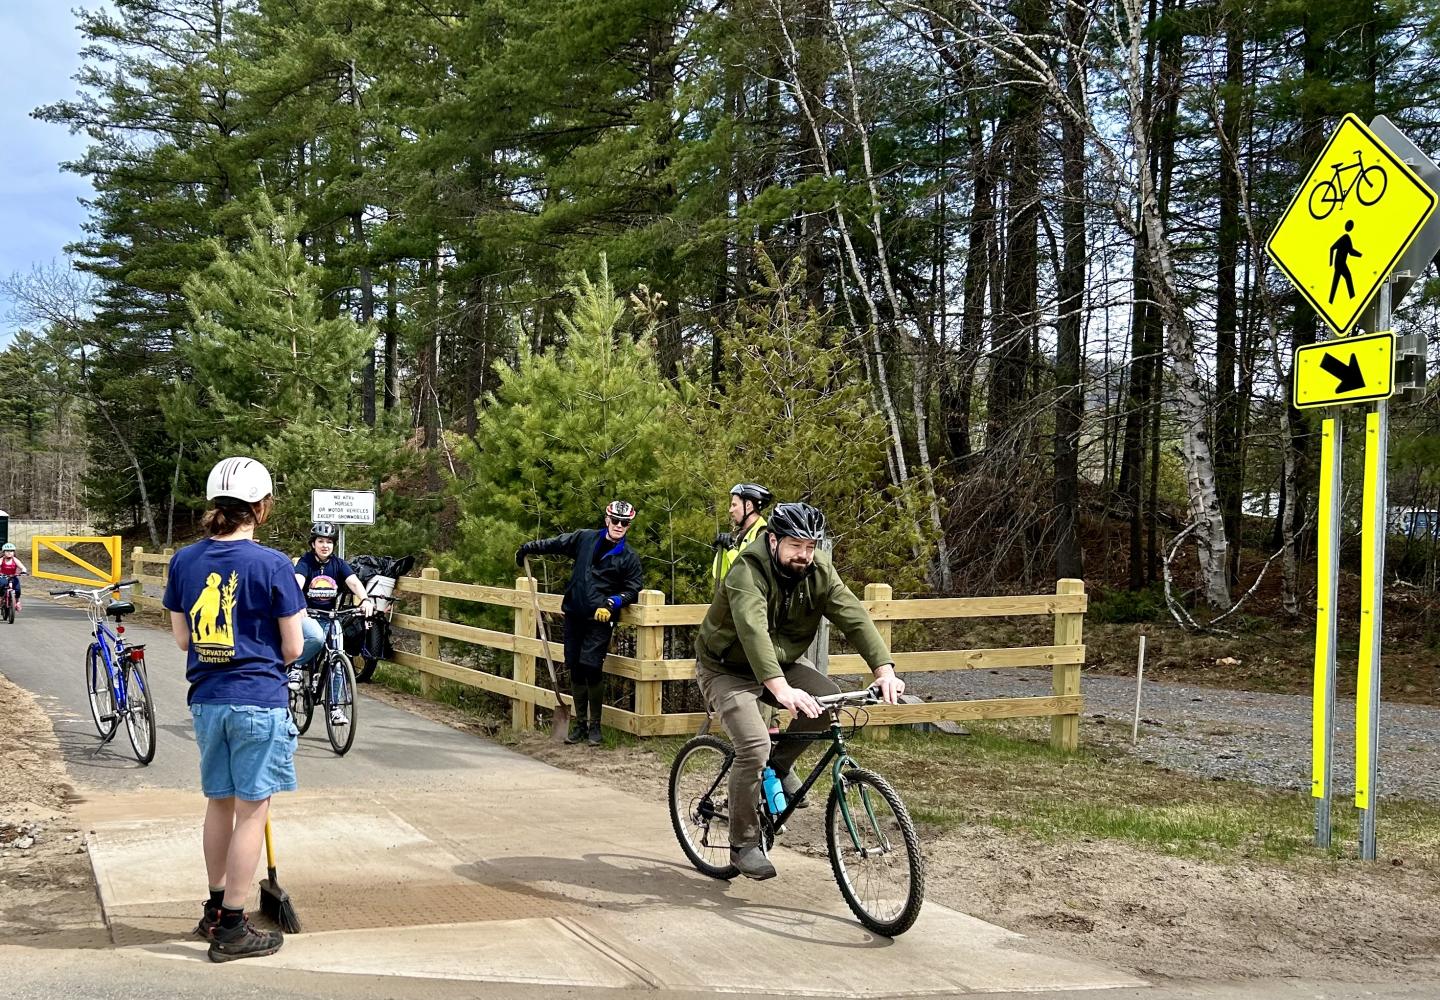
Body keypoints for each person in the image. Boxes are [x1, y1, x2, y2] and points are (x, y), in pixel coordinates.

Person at [693, 501, 904, 880]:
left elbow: (852, 614)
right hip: (726, 668)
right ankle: (743, 844)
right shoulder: (748, 570)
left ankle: (779, 764)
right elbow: (753, 631)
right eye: (795, 546)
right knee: (754, 746)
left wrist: (884, 669)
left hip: (783, 663)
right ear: (773, 540)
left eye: (810, 546)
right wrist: (781, 690)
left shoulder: (819, 569)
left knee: (826, 702)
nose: (804, 555)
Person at [163, 457, 306, 962]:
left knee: (219, 803)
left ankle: (215, 906)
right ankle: (231, 927)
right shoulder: (273, 565)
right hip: (257, 701)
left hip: (206, 701)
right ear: (261, 507)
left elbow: (184, 639)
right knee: (253, 810)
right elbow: (292, 647)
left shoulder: (183, 561)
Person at [516, 500, 644, 746]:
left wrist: (613, 602)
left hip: (600, 619)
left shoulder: (628, 557)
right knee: (574, 665)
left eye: (624, 523)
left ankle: (595, 727)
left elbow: (633, 588)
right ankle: (580, 724)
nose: (619, 526)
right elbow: (557, 543)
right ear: (607, 519)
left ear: (629, 525)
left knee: (591, 666)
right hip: (574, 613)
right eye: (615, 520)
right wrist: (528, 548)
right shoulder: (585, 539)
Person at [289, 522, 373, 726]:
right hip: (308, 615)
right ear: (313, 544)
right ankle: (297, 667)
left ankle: (335, 708)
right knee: (316, 639)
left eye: (329, 542)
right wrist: (297, 603)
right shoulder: (306, 562)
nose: (325, 545)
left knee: (339, 660)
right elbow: (297, 581)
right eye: (320, 541)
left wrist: (365, 599)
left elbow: (353, 582)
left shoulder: (338, 564)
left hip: (331, 617)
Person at [710, 483, 774, 586]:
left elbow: (751, 574)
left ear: (748, 505)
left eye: (734, 505)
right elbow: (720, 575)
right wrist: (723, 549)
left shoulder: (763, 535)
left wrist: (731, 549)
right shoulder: (740, 535)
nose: (730, 510)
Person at [0, 542, 28, 611]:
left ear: (14, 552)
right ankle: (1, 599)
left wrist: (23, 571)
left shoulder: (15, 560)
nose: (9, 553)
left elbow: (23, 567)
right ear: (3, 552)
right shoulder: (1, 559)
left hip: (13, 576)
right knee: (1, 585)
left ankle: (17, 601)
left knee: (17, 589)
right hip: (3, 576)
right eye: (7, 551)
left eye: (11, 551)